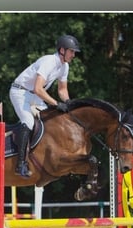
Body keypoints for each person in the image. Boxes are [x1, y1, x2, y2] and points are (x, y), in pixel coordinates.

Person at [9, 34, 81, 178]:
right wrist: (56, 104)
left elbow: (62, 90)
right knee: (29, 123)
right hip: (20, 92)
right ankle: (20, 164)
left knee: (51, 120)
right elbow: (38, 88)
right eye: (71, 51)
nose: (73, 55)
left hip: (35, 96)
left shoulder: (64, 67)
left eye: (74, 52)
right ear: (62, 50)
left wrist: (68, 104)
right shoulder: (49, 61)